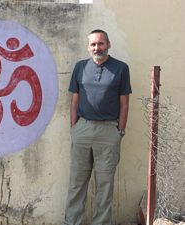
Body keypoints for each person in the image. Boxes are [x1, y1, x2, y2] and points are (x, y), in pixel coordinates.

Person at [62, 29, 132, 225]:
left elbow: (124, 103)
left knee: (105, 185)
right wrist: (74, 128)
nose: (97, 48)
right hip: (82, 130)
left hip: (109, 131)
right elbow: (74, 101)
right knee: (77, 183)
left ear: (108, 44)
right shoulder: (80, 67)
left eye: (100, 43)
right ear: (88, 47)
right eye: (93, 44)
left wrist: (120, 131)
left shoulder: (121, 68)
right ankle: (71, 222)